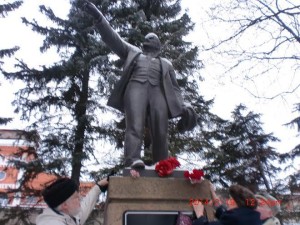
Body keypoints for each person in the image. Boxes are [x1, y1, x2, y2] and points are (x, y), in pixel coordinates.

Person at [83, 1, 196, 169]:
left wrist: (182, 105)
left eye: (152, 37)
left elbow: (175, 88)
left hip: (159, 93)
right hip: (136, 88)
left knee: (161, 130)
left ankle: (162, 163)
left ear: (158, 45)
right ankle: (132, 159)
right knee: (134, 125)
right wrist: (99, 17)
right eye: (146, 37)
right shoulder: (133, 53)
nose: (148, 38)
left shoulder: (166, 63)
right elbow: (114, 39)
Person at [36, 177, 109, 225]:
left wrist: (98, 187)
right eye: (76, 197)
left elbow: (84, 209)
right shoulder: (52, 223)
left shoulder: (66, 217)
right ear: (65, 205)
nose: (80, 199)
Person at [192, 184, 262, 225]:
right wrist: (214, 197)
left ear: (236, 202)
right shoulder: (251, 216)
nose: (228, 202)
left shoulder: (235, 218)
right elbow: (225, 216)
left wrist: (199, 214)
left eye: (230, 199)